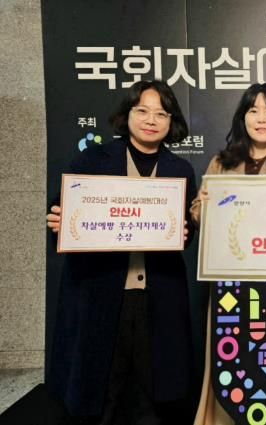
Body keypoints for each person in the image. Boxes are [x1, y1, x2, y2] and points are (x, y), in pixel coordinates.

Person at [46, 80, 197, 424]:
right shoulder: (92, 160)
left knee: (153, 394)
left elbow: (184, 232)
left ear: (171, 121)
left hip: (157, 296)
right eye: (142, 110)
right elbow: (63, 212)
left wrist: (186, 232)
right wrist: (57, 219)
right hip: (100, 292)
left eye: (161, 113)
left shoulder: (180, 170)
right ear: (126, 115)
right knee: (103, 392)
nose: (151, 120)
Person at [191, 83, 266, 425]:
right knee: (230, 363)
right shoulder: (221, 162)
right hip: (229, 285)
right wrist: (203, 208)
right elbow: (197, 213)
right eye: (253, 110)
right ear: (242, 118)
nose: (261, 118)